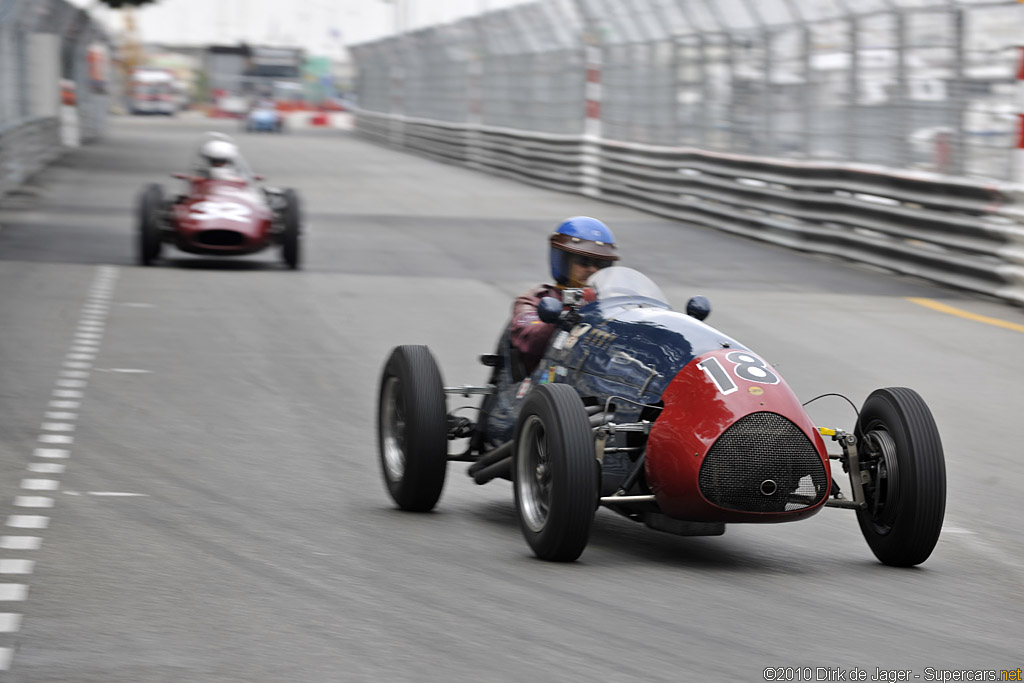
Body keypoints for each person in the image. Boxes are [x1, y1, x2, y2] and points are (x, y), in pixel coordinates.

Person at [508, 216, 619, 375]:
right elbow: (528, 340)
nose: (593, 270)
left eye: (601, 265)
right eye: (584, 261)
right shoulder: (536, 299)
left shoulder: (612, 304)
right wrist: (557, 322)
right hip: (547, 384)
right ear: (563, 261)